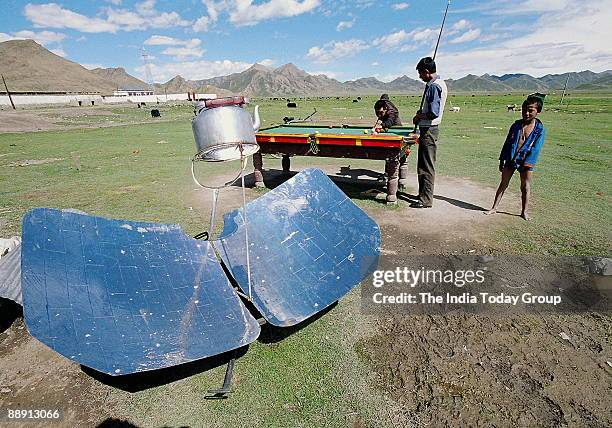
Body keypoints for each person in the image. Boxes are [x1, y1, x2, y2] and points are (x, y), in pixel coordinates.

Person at [484, 96, 546, 220]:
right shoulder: (516, 125)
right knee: (503, 184)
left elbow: (536, 148)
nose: (526, 113)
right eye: (524, 110)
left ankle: (524, 211)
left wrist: (528, 163)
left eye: (530, 110)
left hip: (526, 161)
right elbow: (507, 142)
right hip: (511, 158)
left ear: (538, 112)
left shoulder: (540, 129)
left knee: (525, 186)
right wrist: (502, 159)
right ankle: (494, 208)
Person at [411, 57, 448, 208]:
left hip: (429, 130)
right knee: (425, 164)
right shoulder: (438, 84)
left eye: (420, 73)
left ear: (426, 72)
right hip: (429, 129)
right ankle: (424, 194)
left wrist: (419, 116)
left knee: (426, 165)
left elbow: (433, 113)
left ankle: (425, 200)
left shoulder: (433, 87)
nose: (419, 76)